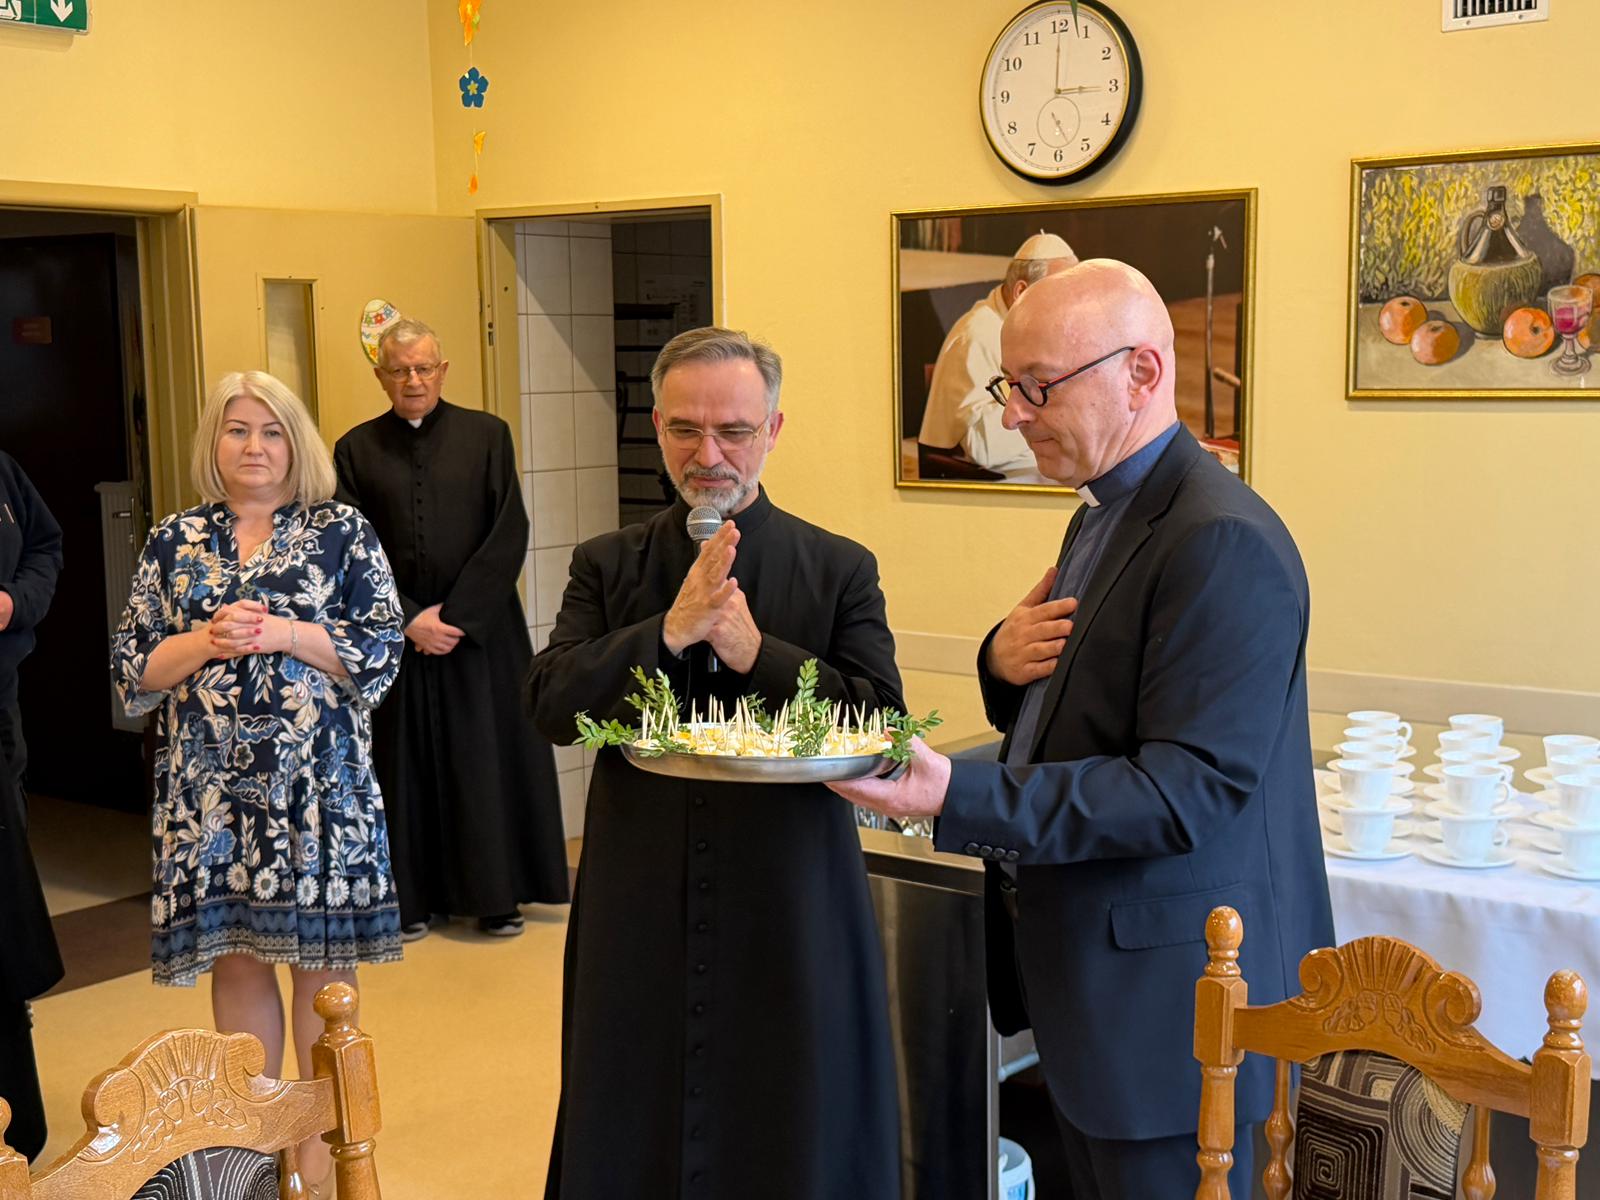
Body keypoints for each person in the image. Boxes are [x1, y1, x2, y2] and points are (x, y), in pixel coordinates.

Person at [833, 261, 1334, 1198]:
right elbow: (1084, 709)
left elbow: (1181, 791)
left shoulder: (1220, 539)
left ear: (1142, 373)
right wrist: (997, 662)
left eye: (1039, 386)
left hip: (1173, 1012)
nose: (1016, 415)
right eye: (1008, 386)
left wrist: (953, 792)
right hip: (1094, 993)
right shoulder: (1103, 514)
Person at [529, 327, 903, 1198]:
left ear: (773, 430)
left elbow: (881, 726)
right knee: (635, 1096)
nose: (708, 456)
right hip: (639, 887)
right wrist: (664, 634)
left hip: (791, 892)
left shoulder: (838, 567)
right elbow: (550, 705)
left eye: (733, 431)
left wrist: (756, 654)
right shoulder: (607, 564)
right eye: (686, 430)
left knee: (790, 1101)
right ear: (657, 426)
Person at [112, 371, 405, 1196]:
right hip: (210, 802)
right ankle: (256, 1154)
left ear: (295, 443)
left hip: (319, 794)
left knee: (321, 974)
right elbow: (135, 668)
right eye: (237, 429)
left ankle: (318, 1161)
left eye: (271, 431)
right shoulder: (174, 539)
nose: (254, 446)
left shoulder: (341, 531)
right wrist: (207, 640)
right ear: (214, 442)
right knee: (237, 963)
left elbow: (380, 652)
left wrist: (285, 631)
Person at [334, 318, 568, 940]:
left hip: (481, 632)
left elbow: (508, 530)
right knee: (402, 766)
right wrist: (409, 617)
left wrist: (457, 618)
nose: (413, 380)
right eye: (399, 370)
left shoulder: (488, 435)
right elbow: (353, 548)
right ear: (381, 376)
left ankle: (497, 898)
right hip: (397, 636)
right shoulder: (354, 450)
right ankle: (410, 901)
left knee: (485, 760)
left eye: (424, 368)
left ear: (442, 371)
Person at [0, 452, 62, 1162]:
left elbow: (45, 545)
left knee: (4, 928)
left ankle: (18, 1127)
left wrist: (16, 602)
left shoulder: (5, 471)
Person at [917, 230, 1077, 478]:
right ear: (1021, 292)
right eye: (1059, 295)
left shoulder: (1032, 329)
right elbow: (983, 447)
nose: (1069, 308)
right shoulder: (976, 336)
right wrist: (1058, 412)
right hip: (994, 478)